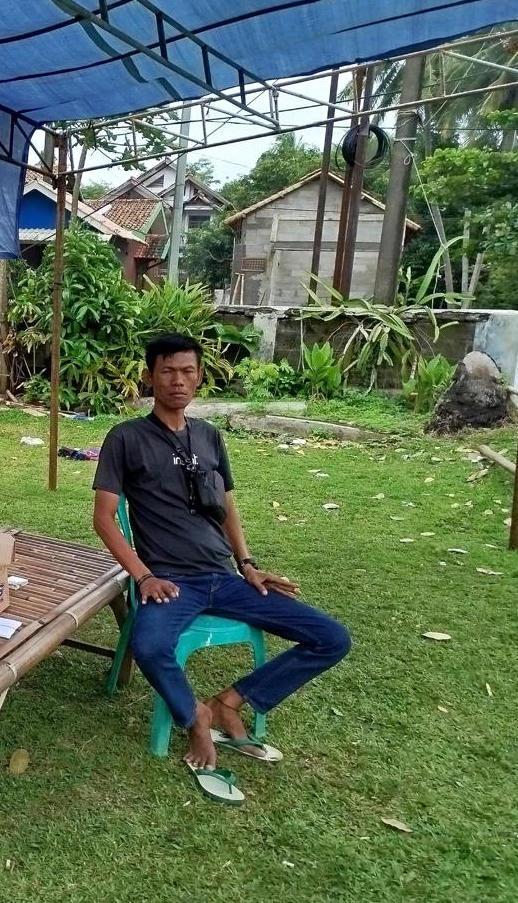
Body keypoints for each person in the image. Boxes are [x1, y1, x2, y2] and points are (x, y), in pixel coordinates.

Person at [92, 333, 350, 804]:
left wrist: (247, 564)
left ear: (199, 378)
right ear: (149, 377)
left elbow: (228, 506)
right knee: (149, 645)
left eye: (187, 371)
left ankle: (229, 702)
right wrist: (144, 576)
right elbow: (104, 519)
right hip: (171, 582)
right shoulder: (126, 438)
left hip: (225, 578)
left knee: (332, 638)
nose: (178, 380)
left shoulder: (210, 436)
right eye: (167, 371)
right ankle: (195, 717)